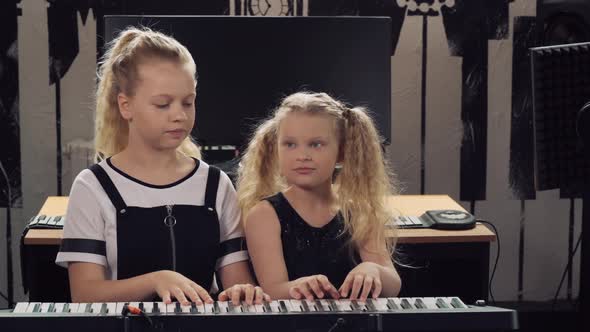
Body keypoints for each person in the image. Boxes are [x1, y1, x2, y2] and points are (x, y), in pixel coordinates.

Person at [56, 27, 267, 306]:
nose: (179, 115)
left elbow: (237, 281)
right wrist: (157, 280)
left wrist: (245, 292)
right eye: (163, 104)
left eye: (187, 103)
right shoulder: (93, 186)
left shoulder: (216, 185)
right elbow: (85, 294)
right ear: (126, 106)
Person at [237, 92, 402, 302]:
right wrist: (297, 287)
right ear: (276, 149)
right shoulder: (263, 215)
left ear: (342, 152)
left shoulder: (359, 212)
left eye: (316, 144)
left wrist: (373, 270)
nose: (302, 156)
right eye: (290, 144)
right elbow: (273, 290)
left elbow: (393, 285)